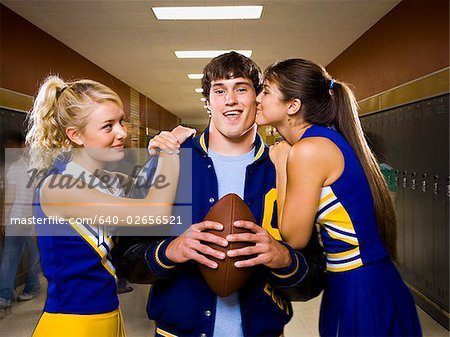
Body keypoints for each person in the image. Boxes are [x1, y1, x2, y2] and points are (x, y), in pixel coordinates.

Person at [115, 51, 326, 337]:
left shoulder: (287, 169)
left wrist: (283, 258)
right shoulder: (168, 160)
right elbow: (127, 260)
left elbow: (312, 281)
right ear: (208, 102)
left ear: (258, 98)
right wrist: (171, 250)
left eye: (241, 88)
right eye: (219, 90)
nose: (230, 100)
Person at [256, 58, 422, 336]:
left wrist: (281, 166)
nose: (258, 98)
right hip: (355, 278)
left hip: (361, 286)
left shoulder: (308, 150)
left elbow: (293, 237)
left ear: (292, 106)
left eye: (266, 92)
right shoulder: (323, 140)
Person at [25, 75, 184, 337]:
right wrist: (170, 151)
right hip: (73, 323)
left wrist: (157, 154)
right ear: (75, 135)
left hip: (108, 313)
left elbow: (146, 189)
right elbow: (154, 211)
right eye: (107, 126)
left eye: (121, 121)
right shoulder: (59, 186)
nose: (122, 132)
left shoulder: (105, 179)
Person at [0, 130, 41, 318]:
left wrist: (34, 224)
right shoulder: (17, 167)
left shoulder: (38, 167)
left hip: (28, 219)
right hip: (16, 218)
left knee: (30, 257)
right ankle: (6, 294)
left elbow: (38, 198)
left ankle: (29, 287)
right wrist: (4, 219)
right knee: (12, 257)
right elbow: (10, 194)